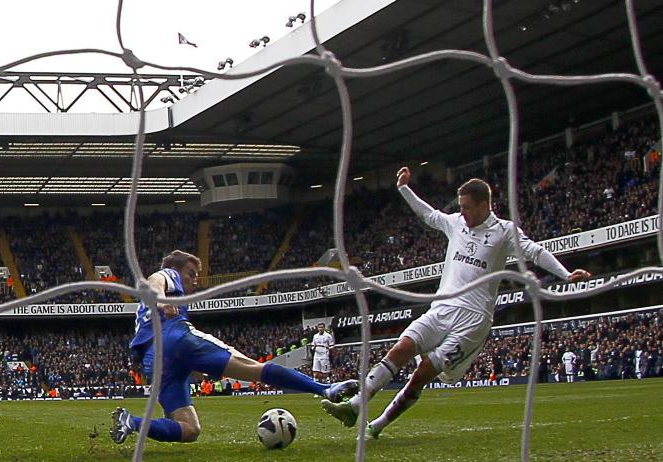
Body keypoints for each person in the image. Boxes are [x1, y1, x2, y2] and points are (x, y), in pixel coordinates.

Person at [322, 167, 591, 439]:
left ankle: (377, 425)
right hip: (442, 308)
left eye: (467, 207)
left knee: (424, 372)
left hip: (473, 320)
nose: (462, 212)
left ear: (484, 205)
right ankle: (354, 407)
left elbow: (534, 251)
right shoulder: (456, 224)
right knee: (402, 347)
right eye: (460, 206)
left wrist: (566, 273)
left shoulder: (504, 232)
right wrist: (404, 189)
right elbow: (429, 215)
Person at [110, 250, 358, 445]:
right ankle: (325, 389)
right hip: (175, 336)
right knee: (253, 368)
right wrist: (163, 301)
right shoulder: (167, 274)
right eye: (191, 273)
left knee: (189, 429)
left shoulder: (147, 308)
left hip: (153, 358)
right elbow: (154, 281)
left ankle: (131, 422)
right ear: (176, 270)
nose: (195, 280)